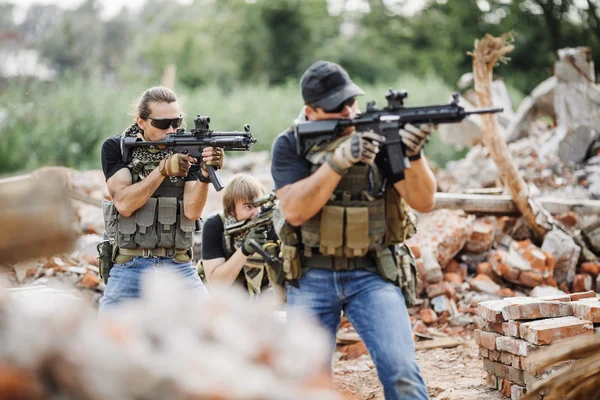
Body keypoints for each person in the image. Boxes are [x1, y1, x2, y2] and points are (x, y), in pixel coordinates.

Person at [270, 60, 436, 399]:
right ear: (311, 111)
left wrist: (412, 154)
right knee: (308, 382)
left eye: (351, 102)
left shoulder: (380, 137)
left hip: (372, 271)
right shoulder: (291, 145)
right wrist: (338, 161)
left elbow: (424, 200)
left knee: (401, 370)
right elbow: (295, 211)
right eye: (336, 107)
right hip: (312, 273)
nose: (348, 112)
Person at [99, 86, 224, 310]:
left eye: (177, 122)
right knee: (106, 338)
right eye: (162, 124)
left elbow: (192, 212)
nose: (172, 130)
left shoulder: (186, 148)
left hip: (178, 264)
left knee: (211, 328)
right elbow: (124, 204)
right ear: (141, 122)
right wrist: (162, 171)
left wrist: (205, 173)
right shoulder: (116, 147)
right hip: (130, 264)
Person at [201, 174, 280, 297]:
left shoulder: (268, 222)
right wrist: (244, 250)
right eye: (248, 207)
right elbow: (215, 284)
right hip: (226, 299)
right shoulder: (215, 225)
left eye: (259, 205)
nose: (256, 213)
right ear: (231, 210)